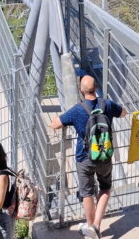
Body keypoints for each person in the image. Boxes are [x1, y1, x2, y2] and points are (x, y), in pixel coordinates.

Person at [50, 75, 125, 239]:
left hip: (85, 157)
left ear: (81, 91)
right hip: (104, 155)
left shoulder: (78, 110)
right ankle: (97, 225)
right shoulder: (107, 104)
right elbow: (124, 113)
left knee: (87, 193)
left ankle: (90, 226)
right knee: (105, 187)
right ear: (96, 87)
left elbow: (55, 124)